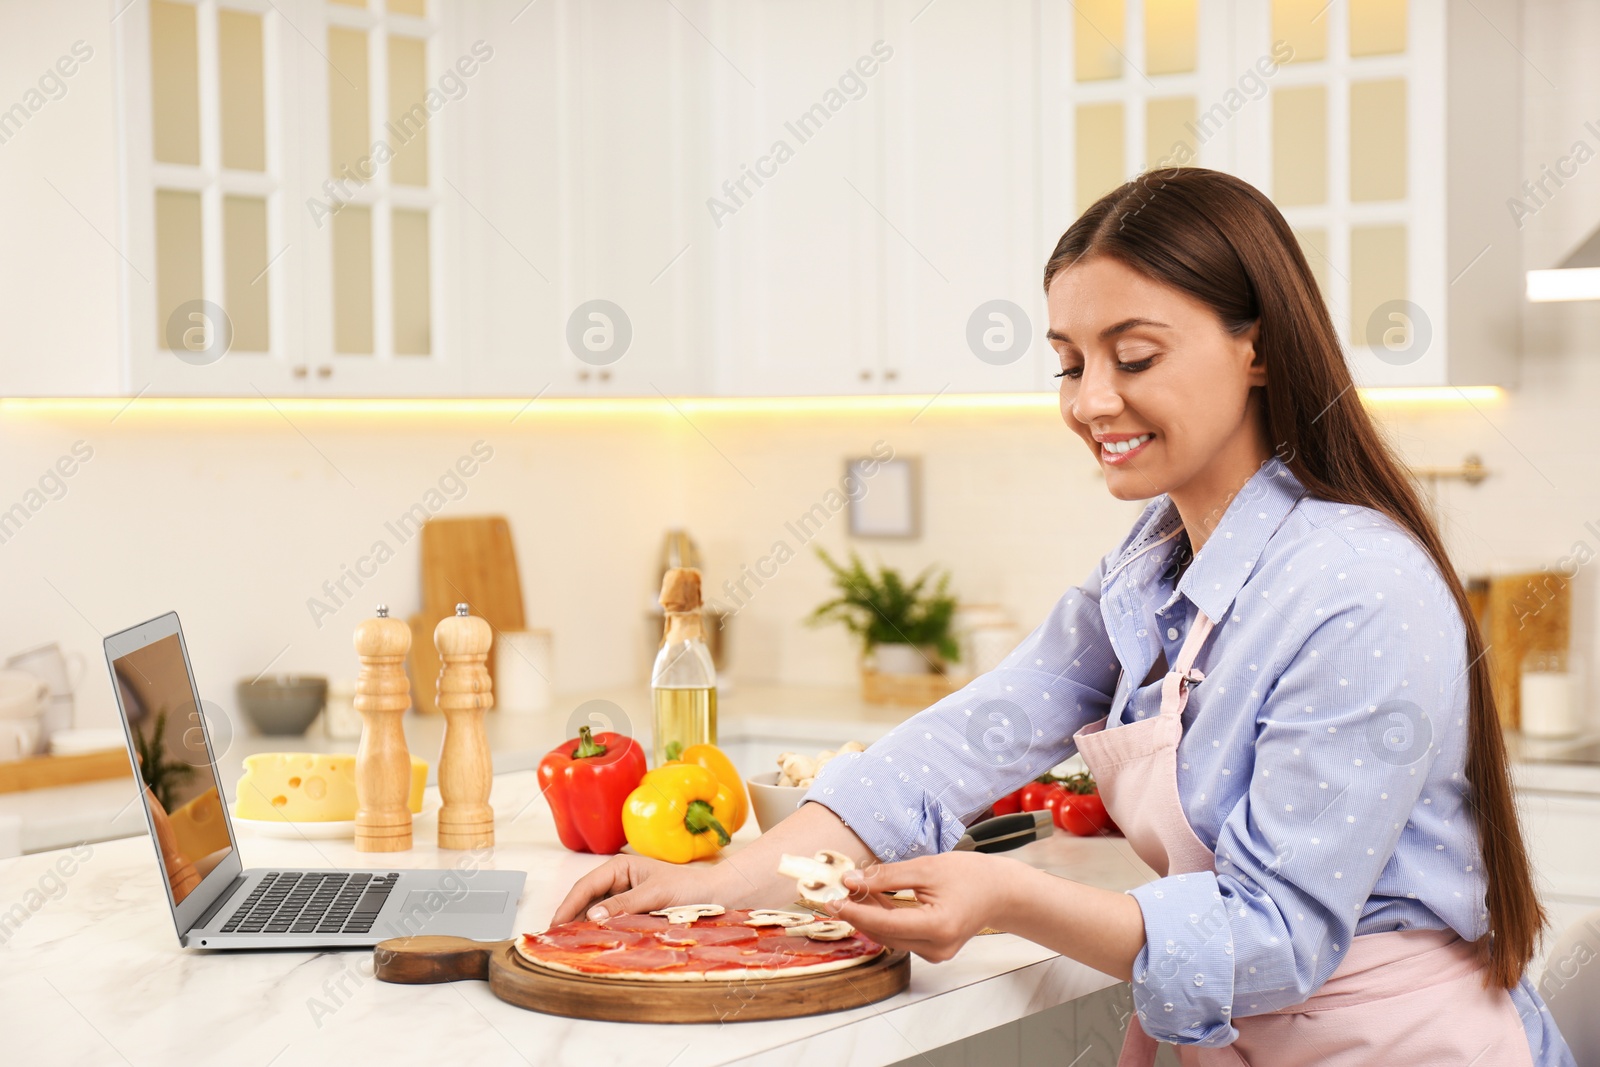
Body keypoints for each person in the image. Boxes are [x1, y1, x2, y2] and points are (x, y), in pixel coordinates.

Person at [553, 168, 1574, 1065]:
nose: (1091, 401)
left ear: (1254, 348)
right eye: (1067, 361)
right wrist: (737, 879)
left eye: (1133, 357)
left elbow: (1276, 935)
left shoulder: (1357, 590)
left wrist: (1005, 898)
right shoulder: (1153, 564)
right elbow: (968, 734)